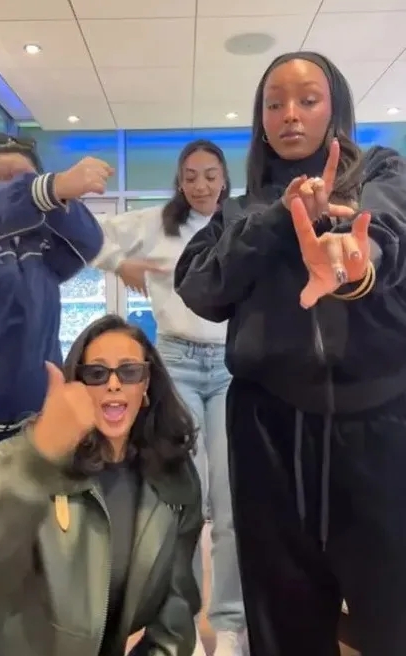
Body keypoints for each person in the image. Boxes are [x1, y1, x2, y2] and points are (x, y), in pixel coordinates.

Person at [175, 51, 406, 656]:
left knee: (393, 609)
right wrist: (283, 217)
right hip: (268, 432)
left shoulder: (382, 172)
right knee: (282, 615)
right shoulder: (239, 210)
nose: (290, 115)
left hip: (381, 425)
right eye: (274, 104)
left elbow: (387, 229)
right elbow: (200, 286)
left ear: (336, 108)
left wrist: (354, 260)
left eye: (307, 100)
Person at [0, 131, 112, 651]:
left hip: (27, 439)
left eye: (24, 177)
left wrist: (54, 196)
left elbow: (89, 242)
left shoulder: (41, 250)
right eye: (0, 178)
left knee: (15, 572)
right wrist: (43, 188)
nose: (13, 187)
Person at [0, 314, 202, 656]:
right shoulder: (20, 461)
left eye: (129, 371)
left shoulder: (173, 481)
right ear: (77, 387)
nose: (113, 384)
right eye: (97, 373)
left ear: (146, 384)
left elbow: (174, 621)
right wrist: (37, 460)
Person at [92, 140, 246, 656]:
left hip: (229, 366)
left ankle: (230, 624)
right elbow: (86, 232)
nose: (201, 185)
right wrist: (119, 264)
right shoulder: (158, 222)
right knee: (183, 499)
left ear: (225, 178)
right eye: (190, 176)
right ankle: (182, 622)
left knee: (230, 502)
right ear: (179, 181)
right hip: (175, 363)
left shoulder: (240, 220)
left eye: (210, 175)